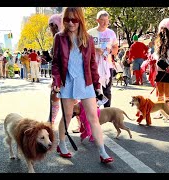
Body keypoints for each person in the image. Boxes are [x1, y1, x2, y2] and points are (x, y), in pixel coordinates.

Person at [51, 7, 113, 163]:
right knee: (67, 116)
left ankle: (102, 152)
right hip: (67, 82)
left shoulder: (88, 39)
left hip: (86, 82)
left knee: (93, 117)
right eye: (67, 20)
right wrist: (56, 82)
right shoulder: (59, 37)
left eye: (74, 19)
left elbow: (92, 64)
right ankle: (62, 143)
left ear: (80, 20)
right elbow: (56, 63)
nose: (71, 23)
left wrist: (97, 85)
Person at [88, 10, 119, 108]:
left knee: (107, 90)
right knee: (94, 89)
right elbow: (84, 49)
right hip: (93, 66)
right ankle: (95, 110)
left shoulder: (111, 33)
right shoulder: (90, 33)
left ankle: (107, 111)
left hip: (107, 66)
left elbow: (115, 49)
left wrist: (109, 51)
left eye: (107, 20)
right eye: (102, 20)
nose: (105, 23)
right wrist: (95, 49)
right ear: (97, 20)